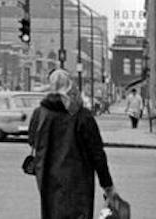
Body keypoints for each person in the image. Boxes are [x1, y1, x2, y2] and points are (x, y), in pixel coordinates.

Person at [28, 69, 118, 219]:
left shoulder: (40, 113)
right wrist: (107, 184)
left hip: (48, 180)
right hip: (78, 181)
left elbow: (32, 140)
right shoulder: (82, 115)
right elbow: (97, 153)